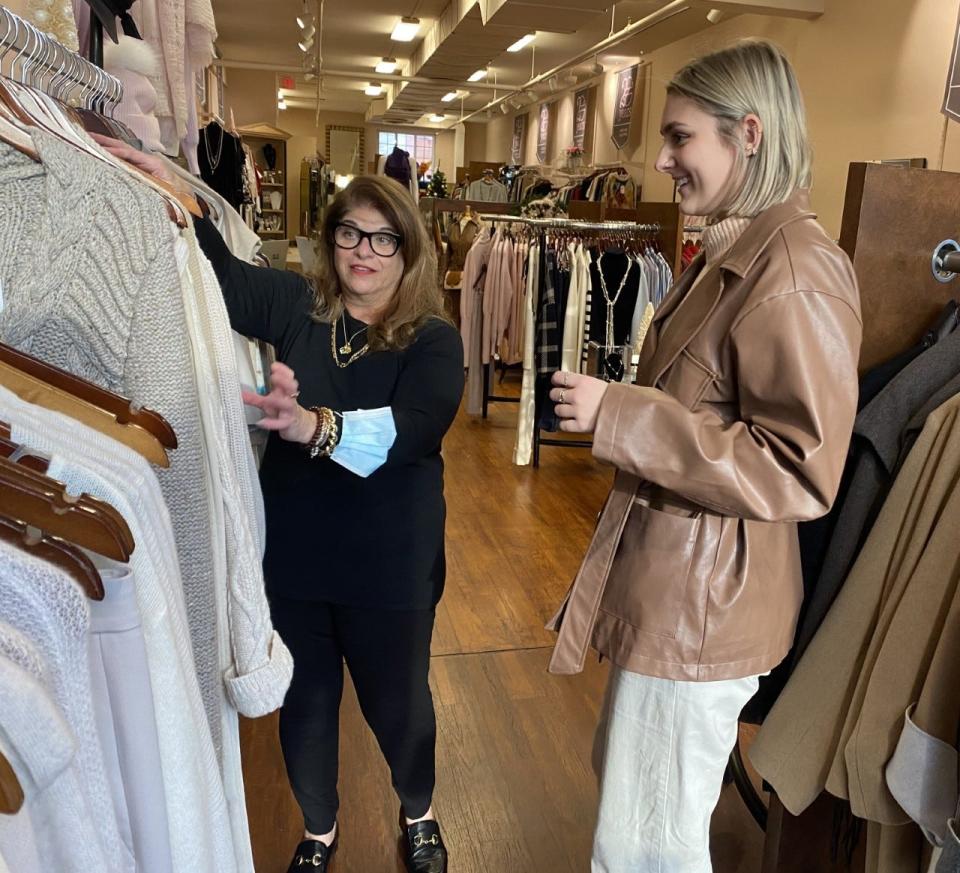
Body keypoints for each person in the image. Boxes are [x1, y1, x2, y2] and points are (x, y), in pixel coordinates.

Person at [91, 142, 463, 873]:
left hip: (391, 562)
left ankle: (418, 807)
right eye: (350, 232)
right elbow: (221, 279)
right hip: (296, 556)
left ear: (406, 250)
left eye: (383, 237)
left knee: (400, 707)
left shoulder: (434, 339)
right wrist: (171, 183)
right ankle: (319, 828)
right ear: (330, 241)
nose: (364, 250)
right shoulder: (298, 303)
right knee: (306, 706)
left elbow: (418, 426)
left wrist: (311, 425)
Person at [546, 40, 862, 872]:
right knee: (639, 817)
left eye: (680, 137)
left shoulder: (792, 268)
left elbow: (799, 464)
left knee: (647, 843)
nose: (660, 160)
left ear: (747, 133)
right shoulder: (736, 252)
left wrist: (625, 413)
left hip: (704, 607)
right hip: (685, 594)